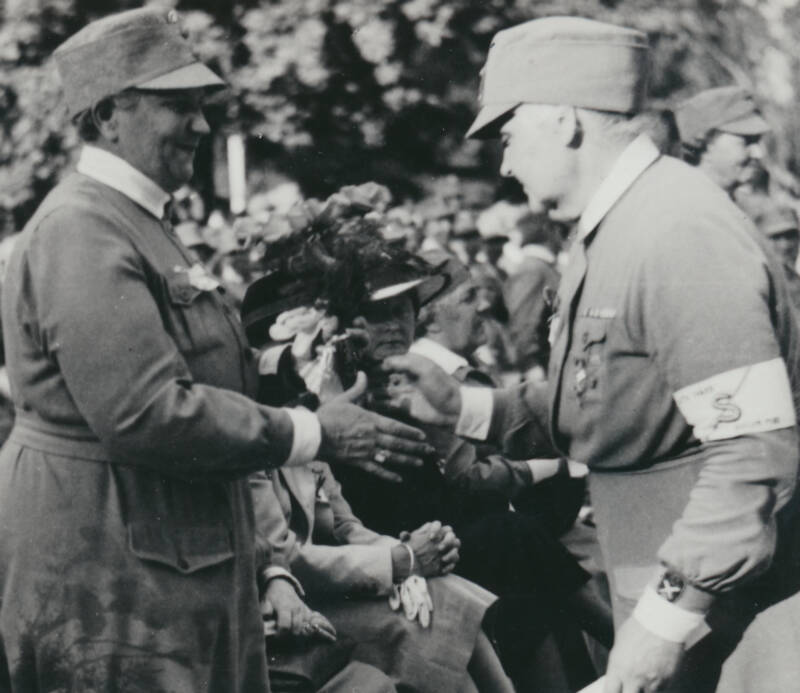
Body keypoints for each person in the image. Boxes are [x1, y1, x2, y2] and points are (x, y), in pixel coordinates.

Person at [0, 9, 428, 692]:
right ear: (110, 113)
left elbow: (188, 358)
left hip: (162, 559)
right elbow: (145, 411)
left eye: (202, 106)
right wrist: (313, 431)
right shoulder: (81, 229)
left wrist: (284, 366)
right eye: (180, 107)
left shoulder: (135, 220)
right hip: (109, 565)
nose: (202, 126)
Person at [381, 15, 800, 693]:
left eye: (510, 136)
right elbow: (616, 392)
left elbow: (754, 453)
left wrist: (666, 622)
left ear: (565, 122)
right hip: (686, 598)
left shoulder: (675, 231)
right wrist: (465, 405)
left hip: (724, 616)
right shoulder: (623, 227)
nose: (506, 163)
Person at [675, 85, 770, 198]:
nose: (759, 153)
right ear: (706, 143)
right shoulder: (686, 204)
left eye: (757, 141)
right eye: (746, 142)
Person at [504, 210, 563, 381]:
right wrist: (530, 365)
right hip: (543, 366)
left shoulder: (540, 267)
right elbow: (523, 321)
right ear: (549, 230)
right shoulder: (533, 269)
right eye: (560, 230)